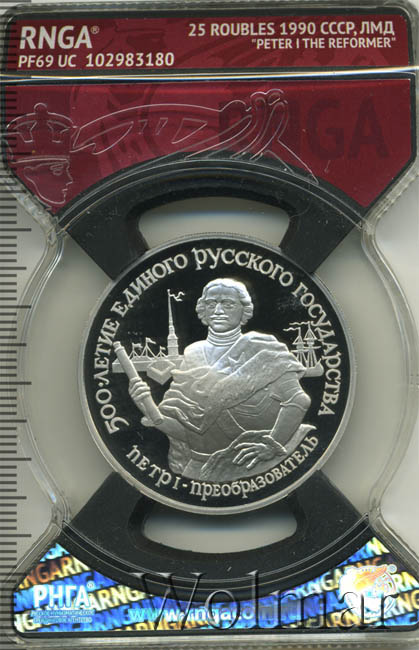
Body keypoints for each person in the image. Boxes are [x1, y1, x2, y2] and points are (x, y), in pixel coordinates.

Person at [129, 278, 314, 481]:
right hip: (197, 470)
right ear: (203, 310)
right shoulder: (192, 353)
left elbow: (298, 400)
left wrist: (272, 444)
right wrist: (146, 405)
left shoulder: (262, 348)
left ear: (244, 310)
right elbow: (187, 431)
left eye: (228, 304)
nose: (217, 310)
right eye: (211, 304)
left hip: (252, 466)